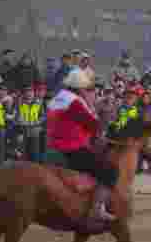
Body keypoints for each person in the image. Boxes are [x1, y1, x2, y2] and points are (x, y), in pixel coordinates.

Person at [45, 68, 118, 227]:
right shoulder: (75, 101)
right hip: (72, 148)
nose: (88, 91)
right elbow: (94, 126)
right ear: (79, 88)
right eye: (86, 88)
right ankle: (97, 209)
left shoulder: (57, 98)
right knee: (110, 172)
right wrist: (105, 113)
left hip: (52, 147)